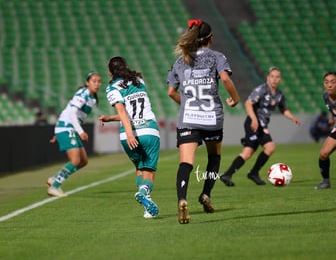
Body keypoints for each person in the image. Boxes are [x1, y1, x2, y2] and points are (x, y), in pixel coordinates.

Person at [167, 19, 240, 224]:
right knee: (214, 158)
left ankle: (182, 199)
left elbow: (170, 91)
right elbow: (225, 79)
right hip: (212, 118)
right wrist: (235, 99)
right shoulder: (217, 57)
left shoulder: (181, 61)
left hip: (188, 119)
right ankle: (206, 193)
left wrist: (187, 104)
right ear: (211, 38)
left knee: (186, 162)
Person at [99, 56, 160, 218]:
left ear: (110, 72)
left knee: (139, 168)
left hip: (128, 136)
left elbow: (123, 112)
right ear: (126, 66)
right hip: (148, 130)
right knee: (149, 171)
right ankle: (143, 192)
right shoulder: (139, 80)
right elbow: (131, 111)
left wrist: (129, 132)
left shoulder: (112, 88)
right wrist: (127, 129)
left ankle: (147, 207)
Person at [220, 66, 301, 187]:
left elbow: (283, 109)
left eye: (277, 77)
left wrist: (292, 118)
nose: (274, 79)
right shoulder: (262, 90)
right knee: (259, 149)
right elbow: (248, 103)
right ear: (268, 78)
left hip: (262, 125)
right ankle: (241, 173)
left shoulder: (279, 95)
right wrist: (254, 119)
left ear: (280, 79)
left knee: (259, 150)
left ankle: (241, 173)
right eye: (272, 76)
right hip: (253, 123)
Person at [47, 71, 102, 197]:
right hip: (67, 127)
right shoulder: (84, 93)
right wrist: (80, 131)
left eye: (99, 81)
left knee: (83, 161)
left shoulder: (92, 98)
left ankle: (54, 179)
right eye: (94, 81)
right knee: (75, 160)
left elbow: (70, 112)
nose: (97, 84)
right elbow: (71, 113)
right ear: (87, 83)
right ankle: (55, 187)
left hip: (68, 128)